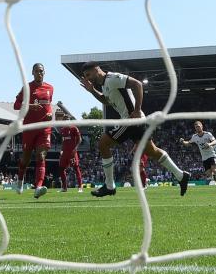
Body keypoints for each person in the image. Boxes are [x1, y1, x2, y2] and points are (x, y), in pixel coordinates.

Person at [78, 61, 190, 198]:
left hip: (131, 120)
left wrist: (136, 110)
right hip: (134, 120)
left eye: (88, 74)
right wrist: (92, 91)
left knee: (103, 143)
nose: (88, 78)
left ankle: (109, 186)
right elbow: (105, 101)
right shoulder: (105, 85)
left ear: (97, 69)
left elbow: (137, 84)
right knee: (152, 151)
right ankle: (181, 175)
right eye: (85, 76)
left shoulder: (112, 78)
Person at [13, 63, 55, 199]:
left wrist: (51, 114)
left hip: (44, 127)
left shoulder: (50, 88)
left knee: (41, 156)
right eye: (37, 71)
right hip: (29, 127)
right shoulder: (27, 88)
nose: (39, 73)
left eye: (41, 71)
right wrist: (30, 106)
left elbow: (48, 106)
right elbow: (16, 105)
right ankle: (20, 181)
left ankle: (38, 187)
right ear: (32, 72)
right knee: (25, 158)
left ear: (45, 72)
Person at [181, 121, 216, 189]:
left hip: (212, 155)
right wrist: (183, 142)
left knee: (214, 170)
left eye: (198, 126)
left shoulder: (208, 134)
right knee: (209, 174)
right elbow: (188, 143)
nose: (197, 128)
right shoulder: (194, 137)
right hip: (204, 158)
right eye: (196, 127)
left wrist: (209, 144)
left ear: (202, 127)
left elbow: (215, 141)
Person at [56, 112, 84, 193]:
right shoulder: (62, 130)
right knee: (61, 169)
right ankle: (64, 188)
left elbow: (80, 139)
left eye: (67, 119)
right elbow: (63, 140)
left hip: (72, 152)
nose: (66, 121)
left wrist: (76, 148)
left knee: (76, 168)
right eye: (65, 120)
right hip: (64, 153)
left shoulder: (74, 128)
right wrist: (61, 149)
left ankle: (80, 187)